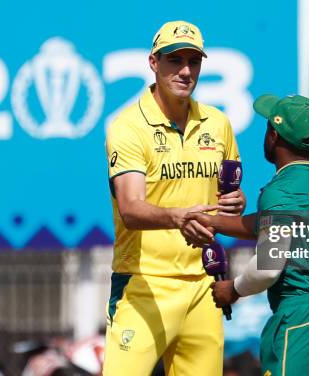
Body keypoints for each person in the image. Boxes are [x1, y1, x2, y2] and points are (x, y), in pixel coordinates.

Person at [102, 20, 245, 376]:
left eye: (193, 61)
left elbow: (228, 193)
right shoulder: (128, 127)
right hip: (144, 283)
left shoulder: (218, 123)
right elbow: (131, 209)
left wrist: (235, 202)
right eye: (173, 60)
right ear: (153, 62)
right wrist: (177, 218)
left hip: (203, 286)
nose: (185, 71)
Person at [185, 94, 309, 376]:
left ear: (274, 135)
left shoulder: (281, 191)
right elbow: (266, 225)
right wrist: (213, 222)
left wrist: (233, 289)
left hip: (304, 319)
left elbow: (268, 268)